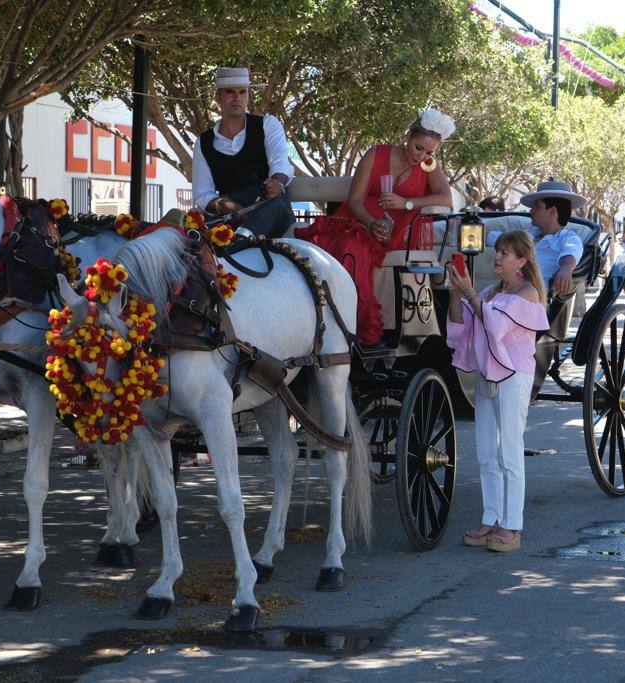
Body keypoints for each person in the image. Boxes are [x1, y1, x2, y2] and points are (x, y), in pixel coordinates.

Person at [294, 107, 454, 345]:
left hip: (390, 234)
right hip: (357, 222)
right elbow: (355, 200)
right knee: (350, 244)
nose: (421, 156)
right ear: (407, 136)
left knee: (355, 247)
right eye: (418, 147)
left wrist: (407, 203)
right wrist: (369, 223)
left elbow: (446, 199)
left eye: (429, 152)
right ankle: (342, 323)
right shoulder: (376, 154)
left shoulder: (429, 166)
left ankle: (358, 326)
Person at [445, 230, 549, 552]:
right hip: (487, 375)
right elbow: (458, 326)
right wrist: (457, 289)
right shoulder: (489, 292)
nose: (499, 258)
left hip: (514, 376)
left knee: (510, 451)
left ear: (521, 260)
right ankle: (491, 517)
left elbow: (497, 327)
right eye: (498, 251)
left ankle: (512, 525)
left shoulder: (528, 293)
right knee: (486, 451)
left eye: (506, 253)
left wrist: (471, 295)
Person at [191, 67, 296, 238]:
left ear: (247, 96)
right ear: (218, 97)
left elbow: (280, 163)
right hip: (230, 217)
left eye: (242, 92)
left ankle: (236, 243)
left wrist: (277, 182)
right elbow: (202, 193)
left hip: (272, 212)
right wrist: (225, 205)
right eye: (230, 92)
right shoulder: (203, 143)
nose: (237, 98)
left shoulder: (268, 125)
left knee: (274, 206)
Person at [514, 180, 586, 297]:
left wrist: (565, 270)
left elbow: (571, 253)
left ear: (552, 211)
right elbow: (510, 241)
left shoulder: (568, 238)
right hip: (514, 289)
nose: (531, 210)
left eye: (537, 206)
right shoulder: (531, 231)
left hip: (534, 297)